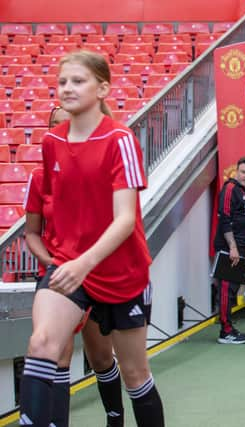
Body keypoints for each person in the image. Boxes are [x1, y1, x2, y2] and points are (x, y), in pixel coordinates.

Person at [19, 50, 164, 427]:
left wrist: (85, 262)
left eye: (78, 81)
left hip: (121, 273)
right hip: (68, 266)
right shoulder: (51, 142)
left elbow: (125, 219)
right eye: (62, 81)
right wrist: (63, 261)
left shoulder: (120, 140)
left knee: (135, 375)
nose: (67, 88)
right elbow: (58, 213)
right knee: (41, 345)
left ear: (102, 88)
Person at [23, 106, 126, 427]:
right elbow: (31, 233)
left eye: (65, 123)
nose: (60, 129)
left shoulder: (98, 168)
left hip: (97, 276)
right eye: (53, 124)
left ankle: (115, 417)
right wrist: (54, 265)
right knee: (56, 353)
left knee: (101, 357)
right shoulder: (39, 177)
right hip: (59, 278)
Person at [213, 156, 245, 344]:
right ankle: (225, 332)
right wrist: (232, 247)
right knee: (226, 289)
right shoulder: (230, 189)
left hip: (239, 247)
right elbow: (225, 218)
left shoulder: (243, 192)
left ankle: (229, 326)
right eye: (244, 172)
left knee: (233, 288)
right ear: (236, 171)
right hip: (230, 248)